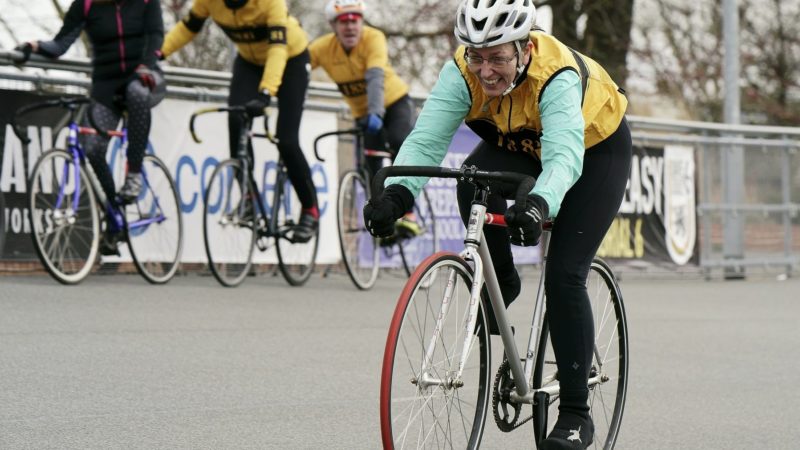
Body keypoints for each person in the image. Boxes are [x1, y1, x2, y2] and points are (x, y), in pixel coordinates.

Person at [363, 0, 631, 448]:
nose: (485, 71)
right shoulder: (461, 72)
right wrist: (398, 196)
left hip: (593, 149)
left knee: (564, 274)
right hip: (522, 143)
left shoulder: (556, 75)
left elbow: (564, 158)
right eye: (477, 56)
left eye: (498, 58)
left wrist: (539, 204)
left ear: (525, 49)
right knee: (470, 181)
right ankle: (502, 282)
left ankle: (576, 415)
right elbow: (426, 140)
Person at [14, 0, 167, 255]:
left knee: (136, 93)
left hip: (144, 77)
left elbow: (156, 37)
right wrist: (34, 46)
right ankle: (114, 215)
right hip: (106, 87)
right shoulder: (85, 5)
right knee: (92, 148)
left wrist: (146, 66)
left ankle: (134, 174)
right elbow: (60, 44)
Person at [160, 0, 318, 241]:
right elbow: (188, 27)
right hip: (249, 62)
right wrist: (159, 53)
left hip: (290, 59)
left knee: (286, 140)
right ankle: (248, 199)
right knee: (236, 119)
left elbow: (278, 49)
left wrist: (266, 92)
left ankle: (310, 209)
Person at [308, 0, 420, 237]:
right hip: (363, 114)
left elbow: (375, 77)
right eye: (343, 21)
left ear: (361, 22)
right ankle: (383, 220)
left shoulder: (373, 38)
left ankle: (410, 214)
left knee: (399, 143)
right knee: (371, 167)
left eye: (355, 20)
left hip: (393, 103)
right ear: (333, 26)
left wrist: (376, 112)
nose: (350, 26)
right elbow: (299, 66)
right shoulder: (322, 48)